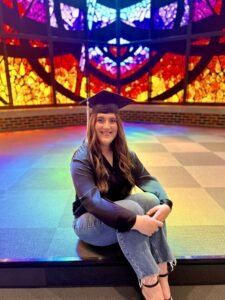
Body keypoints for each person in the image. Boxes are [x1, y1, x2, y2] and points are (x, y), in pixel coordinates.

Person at [70, 90, 176, 300]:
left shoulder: (125, 153)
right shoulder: (81, 158)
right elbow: (92, 202)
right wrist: (135, 221)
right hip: (90, 223)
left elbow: (146, 179)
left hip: (118, 215)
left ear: (118, 125)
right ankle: (149, 282)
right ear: (92, 122)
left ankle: (163, 272)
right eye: (100, 120)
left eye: (112, 121)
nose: (107, 126)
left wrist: (166, 203)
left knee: (151, 201)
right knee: (134, 209)